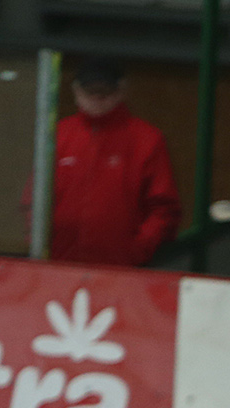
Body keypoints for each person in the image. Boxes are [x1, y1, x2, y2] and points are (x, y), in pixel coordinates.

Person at [48, 56, 182, 268]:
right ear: (76, 91)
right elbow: (33, 199)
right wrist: (38, 247)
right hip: (58, 265)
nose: (97, 97)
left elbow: (163, 209)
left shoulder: (147, 140)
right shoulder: (57, 136)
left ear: (121, 91)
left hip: (120, 270)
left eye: (105, 90)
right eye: (90, 90)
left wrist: (136, 251)